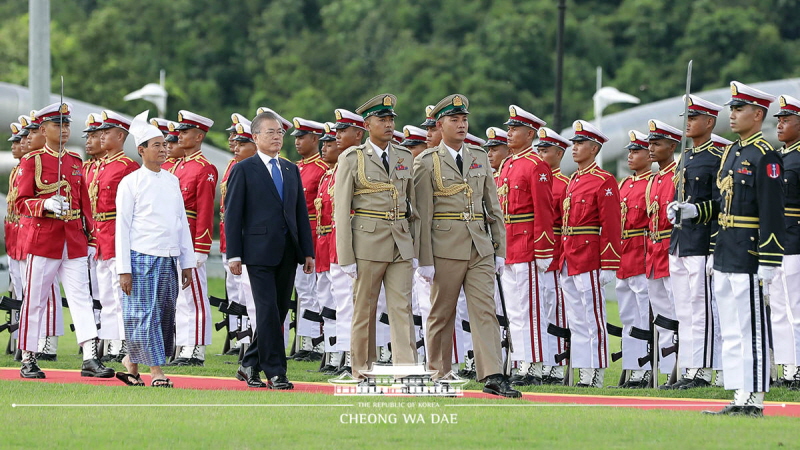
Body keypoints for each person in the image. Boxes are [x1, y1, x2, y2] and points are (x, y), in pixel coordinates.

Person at [671, 81, 783, 416]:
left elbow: (772, 211)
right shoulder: (733, 153)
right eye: (732, 109)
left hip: (749, 253)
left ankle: (754, 398)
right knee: (731, 329)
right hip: (725, 251)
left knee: (751, 329)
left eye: (739, 110)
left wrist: (770, 258)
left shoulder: (766, 156)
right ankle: (738, 394)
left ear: (757, 114)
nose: (732, 115)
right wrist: (694, 211)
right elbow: (721, 203)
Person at [414, 94, 519, 397]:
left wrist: (499, 249)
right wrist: (424, 259)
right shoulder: (426, 162)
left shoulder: (478, 156)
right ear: (439, 125)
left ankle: (494, 375)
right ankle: (439, 373)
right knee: (441, 313)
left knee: (486, 311)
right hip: (444, 246)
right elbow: (421, 214)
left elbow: (493, 206)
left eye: (464, 120)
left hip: (479, 245)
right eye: (454, 120)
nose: (461, 125)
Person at [15, 102, 113, 379]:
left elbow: (84, 205)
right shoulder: (31, 161)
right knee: (35, 299)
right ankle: (29, 357)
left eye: (67, 124)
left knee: (82, 299)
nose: (65, 129)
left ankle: (90, 357)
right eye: (58, 125)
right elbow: (21, 202)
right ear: (44, 129)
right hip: (44, 240)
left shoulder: (74, 161)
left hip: (73, 241)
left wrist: (91, 238)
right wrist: (44, 204)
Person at [225, 110, 315, 389]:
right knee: (265, 311)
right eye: (270, 132)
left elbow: (300, 212)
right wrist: (234, 254)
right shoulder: (244, 168)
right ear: (255, 137)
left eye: (280, 133)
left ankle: (249, 362)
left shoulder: (290, 169)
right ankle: (276, 371)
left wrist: (307, 251)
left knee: (277, 312)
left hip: (287, 250)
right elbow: (233, 215)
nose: (277, 137)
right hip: (257, 251)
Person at [334, 93, 418, 380]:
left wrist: (415, 248)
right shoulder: (352, 157)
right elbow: (341, 209)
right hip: (367, 243)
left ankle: (406, 372)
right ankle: (362, 371)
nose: (388, 124)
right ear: (367, 125)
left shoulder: (404, 156)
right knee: (364, 311)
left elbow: (412, 207)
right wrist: (345, 257)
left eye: (391, 119)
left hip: (400, 242)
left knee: (402, 310)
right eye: (382, 120)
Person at [115, 112, 195, 388]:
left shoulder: (172, 181)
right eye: (157, 145)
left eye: (165, 145)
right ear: (142, 150)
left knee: (163, 314)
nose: (163, 150)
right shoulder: (130, 182)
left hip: (168, 257)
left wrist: (187, 262)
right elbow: (121, 228)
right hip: (140, 257)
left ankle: (131, 365)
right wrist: (124, 269)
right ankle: (156, 371)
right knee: (143, 314)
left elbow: (181, 223)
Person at [495, 105, 555, 386]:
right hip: (508, 245)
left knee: (530, 309)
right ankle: (521, 361)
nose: (509, 133)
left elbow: (544, 210)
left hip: (528, 245)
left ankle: (534, 365)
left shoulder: (536, 166)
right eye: (508, 128)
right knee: (515, 310)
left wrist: (543, 249)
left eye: (514, 129)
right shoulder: (508, 164)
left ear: (529, 134)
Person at [668, 95, 725, 389]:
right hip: (680, 241)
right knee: (685, 311)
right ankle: (689, 368)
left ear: (709, 122)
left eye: (694, 118)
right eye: (686, 118)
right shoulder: (686, 157)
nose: (687, 123)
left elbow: (720, 205)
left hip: (702, 242)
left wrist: (715, 247)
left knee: (701, 309)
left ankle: (702, 371)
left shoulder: (717, 158)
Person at [560, 120, 621, 388]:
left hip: (590, 255)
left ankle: (594, 370)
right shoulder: (574, 179)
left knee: (592, 317)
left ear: (594, 148)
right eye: (573, 143)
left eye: (580, 143)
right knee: (576, 317)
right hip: (569, 254)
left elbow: (611, 224)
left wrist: (609, 262)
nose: (574, 148)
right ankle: (583, 367)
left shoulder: (604, 181)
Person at [165, 110, 217, 366]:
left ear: (198, 136)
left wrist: (201, 247)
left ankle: (195, 348)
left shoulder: (204, 168)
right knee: (179, 297)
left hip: (190, 239)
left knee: (194, 295)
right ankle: (182, 345)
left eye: (184, 132)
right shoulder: (176, 165)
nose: (179, 136)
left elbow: (206, 210)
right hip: (172, 238)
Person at [92, 111, 140, 362]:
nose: (101, 136)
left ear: (120, 136)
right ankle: (111, 342)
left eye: (106, 132)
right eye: (100, 132)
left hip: (117, 234)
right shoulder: (101, 165)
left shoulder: (127, 167)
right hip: (100, 235)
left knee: (121, 294)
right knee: (106, 296)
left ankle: (123, 343)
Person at [613, 130, 653, 388]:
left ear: (649, 155)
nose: (630, 156)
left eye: (636, 151)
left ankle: (646, 368)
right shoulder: (625, 184)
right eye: (629, 151)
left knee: (643, 315)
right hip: (623, 254)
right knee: (627, 315)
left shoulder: (653, 182)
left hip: (641, 252)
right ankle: (631, 368)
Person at [767, 94, 800, 389]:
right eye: (778, 120)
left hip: (796, 239)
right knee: (779, 308)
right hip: (777, 241)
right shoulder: (780, 157)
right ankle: (786, 369)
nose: (779, 125)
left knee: (797, 308)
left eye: (787, 120)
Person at [644, 120, 680, 386]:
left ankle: (684, 367)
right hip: (654, 252)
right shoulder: (654, 179)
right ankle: (668, 370)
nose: (651, 148)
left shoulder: (679, 174)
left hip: (671, 248)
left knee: (679, 311)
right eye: (650, 143)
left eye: (657, 143)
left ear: (672, 145)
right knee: (662, 315)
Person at [535, 127, 572, 384]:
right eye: (538, 149)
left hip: (555, 256)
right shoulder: (537, 177)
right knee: (538, 312)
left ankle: (557, 365)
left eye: (545, 150)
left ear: (559, 153)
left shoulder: (565, 184)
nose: (540, 154)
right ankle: (544, 362)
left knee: (556, 311)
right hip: (534, 256)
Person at [291, 117, 327, 362]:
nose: (297, 141)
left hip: (315, 236)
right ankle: (305, 341)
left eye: (301, 137)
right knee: (303, 289)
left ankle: (316, 341)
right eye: (295, 137)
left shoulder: (323, 169)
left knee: (314, 290)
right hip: (296, 236)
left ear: (315, 139)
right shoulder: (296, 167)